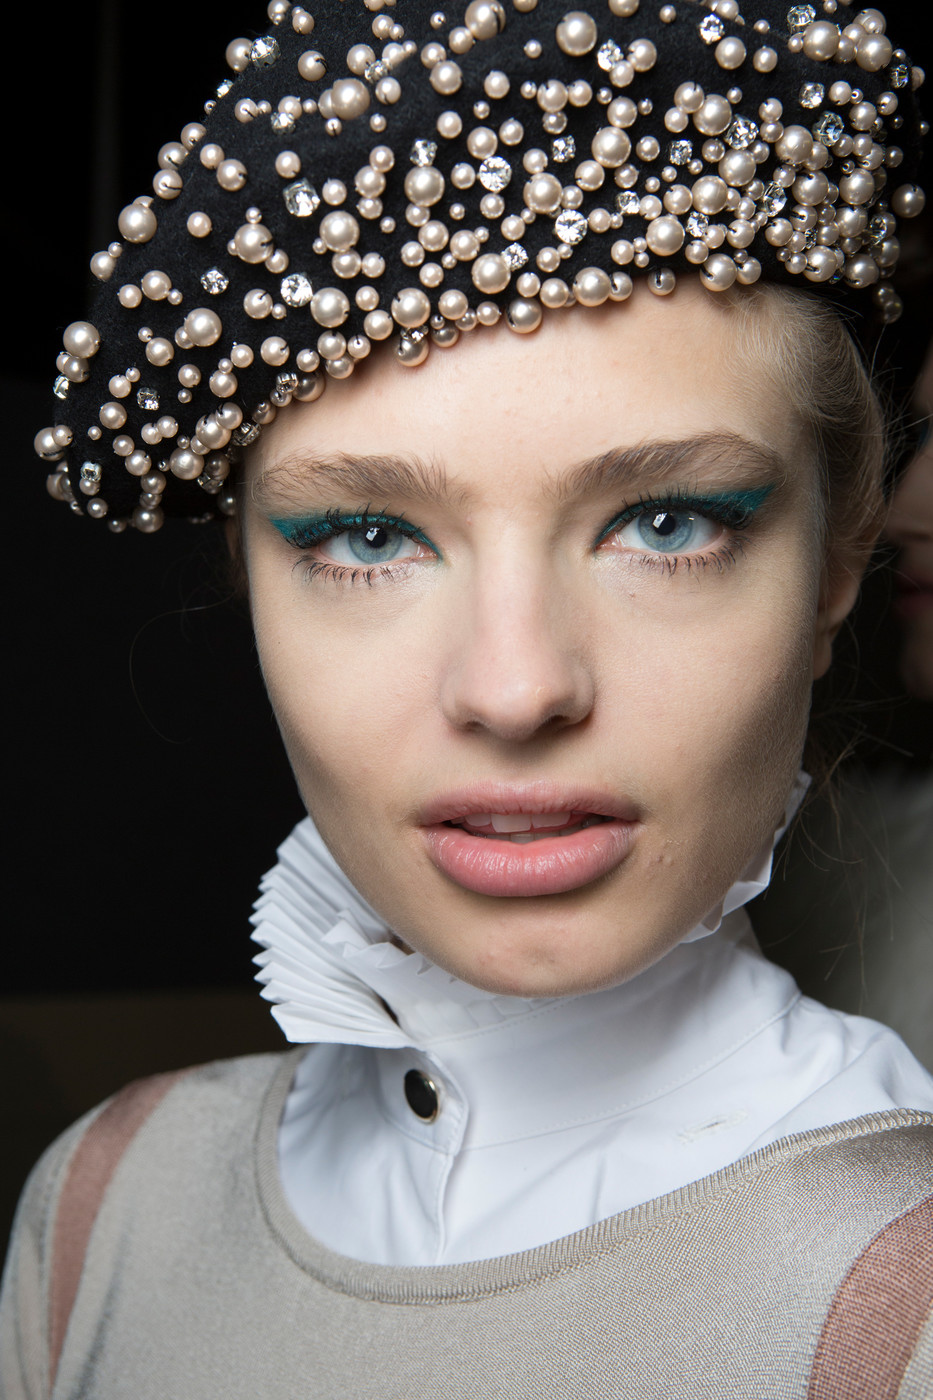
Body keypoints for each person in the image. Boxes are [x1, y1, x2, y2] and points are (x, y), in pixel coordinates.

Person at [3, 0, 933, 1393]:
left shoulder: (902, 1292)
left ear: (834, 568)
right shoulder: (105, 1212)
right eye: (367, 536)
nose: (515, 688)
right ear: (249, 576)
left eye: (667, 523)